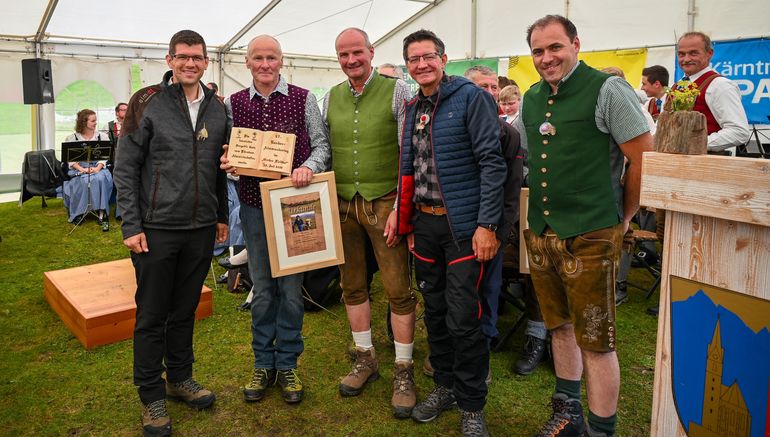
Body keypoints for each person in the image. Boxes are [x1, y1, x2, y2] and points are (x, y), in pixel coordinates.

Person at [514, 16, 653, 437]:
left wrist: (624, 218)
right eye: (538, 51)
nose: (546, 58)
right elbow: (522, 150)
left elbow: (643, 160)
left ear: (576, 43)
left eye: (555, 47)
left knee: (596, 338)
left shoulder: (607, 89)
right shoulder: (532, 96)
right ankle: (568, 413)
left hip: (592, 232)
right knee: (560, 326)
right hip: (542, 231)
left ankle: (601, 430)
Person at [114, 29, 229, 437]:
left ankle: (179, 379)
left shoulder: (219, 108)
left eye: (197, 57)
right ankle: (150, 395)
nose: (190, 63)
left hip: (200, 227)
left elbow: (216, 166)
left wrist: (219, 216)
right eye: (182, 57)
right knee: (151, 314)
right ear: (169, 60)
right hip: (156, 228)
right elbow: (125, 167)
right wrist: (131, 225)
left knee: (185, 310)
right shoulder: (147, 103)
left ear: (206, 61)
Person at [397, 29, 506, 436]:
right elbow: (408, 167)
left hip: (463, 227)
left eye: (428, 56)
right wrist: (407, 221)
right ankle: (444, 386)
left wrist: (486, 225)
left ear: (444, 59)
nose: (421, 64)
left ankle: (472, 402)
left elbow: (492, 163)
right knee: (437, 312)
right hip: (424, 225)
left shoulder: (470, 97)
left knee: (464, 317)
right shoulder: (412, 105)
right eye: (413, 59)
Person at [220, 34, 330, 405]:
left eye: (271, 58)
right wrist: (232, 167)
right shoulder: (234, 104)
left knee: (290, 289)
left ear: (281, 61)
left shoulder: (303, 98)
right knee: (264, 288)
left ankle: (287, 363)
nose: (265, 64)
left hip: (295, 206)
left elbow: (322, 146)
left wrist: (307, 167)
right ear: (247, 63)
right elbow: (231, 153)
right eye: (258, 58)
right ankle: (262, 363)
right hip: (253, 205)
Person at [324, 27, 417, 419]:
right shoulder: (329, 97)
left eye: (356, 52)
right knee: (352, 285)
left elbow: (409, 151)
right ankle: (365, 358)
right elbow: (324, 150)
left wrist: (401, 204)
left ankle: (403, 369)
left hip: (385, 202)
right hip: (344, 203)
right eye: (343, 55)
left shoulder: (398, 91)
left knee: (398, 288)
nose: (350, 60)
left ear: (371, 51)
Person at [464, 66, 532, 376]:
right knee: (458, 292)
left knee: (487, 292)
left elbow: (511, 190)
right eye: (483, 86)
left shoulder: (509, 134)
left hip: (490, 230)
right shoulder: (453, 128)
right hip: (454, 229)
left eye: (494, 87)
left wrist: (498, 233)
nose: (491, 93)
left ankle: (484, 350)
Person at [676, 31, 750, 154]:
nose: (686, 59)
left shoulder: (720, 85)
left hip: (704, 164)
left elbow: (739, 131)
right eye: (681, 54)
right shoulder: (676, 87)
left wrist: (695, 144)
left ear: (709, 53)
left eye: (693, 53)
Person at [63, 108, 112, 231]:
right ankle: (79, 212)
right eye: (93, 121)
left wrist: (97, 167)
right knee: (84, 181)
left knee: (100, 179)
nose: (96, 123)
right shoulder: (72, 138)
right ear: (84, 122)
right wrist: (82, 169)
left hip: (98, 168)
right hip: (79, 168)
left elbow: (105, 156)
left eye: (95, 120)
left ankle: (102, 212)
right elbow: (71, 160)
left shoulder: (103, 136)